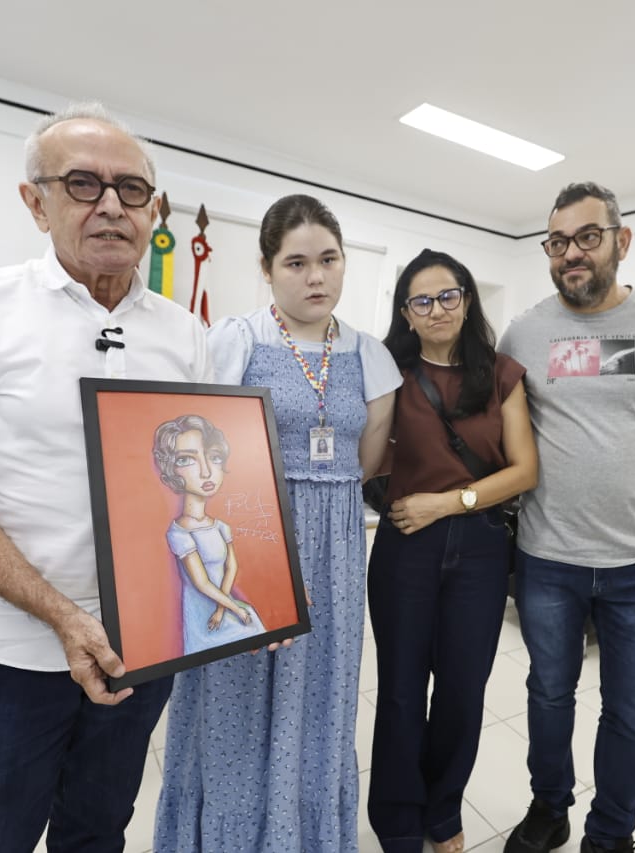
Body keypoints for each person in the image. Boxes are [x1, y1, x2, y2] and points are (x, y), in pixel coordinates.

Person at [0, 102, 212, 852]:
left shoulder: (185, 332)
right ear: (37, 201)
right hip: (5, 655)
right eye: (83, 184)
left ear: (154, 211)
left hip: (138, 648)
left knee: (98, 831)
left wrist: (247, 595)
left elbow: (198, 482)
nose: (110, 206)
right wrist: (66, 617)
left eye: (131, 190)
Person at [155, 193, 401, 852]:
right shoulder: (236, 339)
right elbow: (203, 456)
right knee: (232, 691)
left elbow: (366, 459)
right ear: (267, 269)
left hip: (338, 548)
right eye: (296, 262)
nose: (315, 277)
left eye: (328, 259)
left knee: (321, 693)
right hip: (248, 538)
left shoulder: (372, 357)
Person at [498, 182, 635, 853]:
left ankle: (611, 831)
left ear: (620, 242)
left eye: (587, 237)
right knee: (547, 694)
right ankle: (549, 806)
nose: (572, 253)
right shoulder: (524, 331)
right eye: (558, 241)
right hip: (547, 558)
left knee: (633, 712)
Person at [367, 249, 538, 853]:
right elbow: (366, 455)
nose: (436, 308)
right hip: (404, 552)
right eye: (421, 300)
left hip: (480, 550)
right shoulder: (386, 369)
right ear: (405, 313)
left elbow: (525, 470)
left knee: (463, 691)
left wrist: (447, 502)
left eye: (448, 296)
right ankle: (397, 820)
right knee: (401, 690)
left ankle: (442, 811)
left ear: (466, 301)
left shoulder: (501, 373)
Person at [152, 413, 267, 654]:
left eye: (214, 458)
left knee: (256, 629)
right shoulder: (180, 533)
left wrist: (223, 609)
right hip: (202, 621)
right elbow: (201, 583)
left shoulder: (221, 526)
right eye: (186, 460)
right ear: (171, 469)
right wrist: (234, 610)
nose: (206, 471)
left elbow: (231, 568)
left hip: (222, 608)